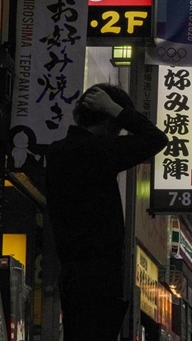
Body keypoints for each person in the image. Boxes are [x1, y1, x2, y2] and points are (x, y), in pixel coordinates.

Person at [46, 84, 168, 341]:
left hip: (73, 275)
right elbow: (156, 139)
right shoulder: (98, 151)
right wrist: (116, 109)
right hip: (98, 280)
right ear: (110, 122)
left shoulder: (58, 152)